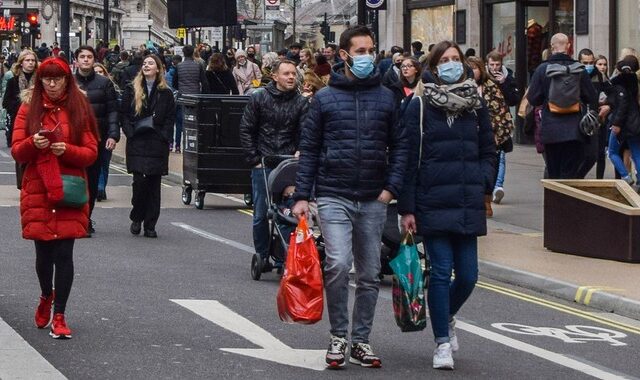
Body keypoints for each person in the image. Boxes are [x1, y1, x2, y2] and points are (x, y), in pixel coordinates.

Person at [291, 25, 408, 369]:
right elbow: (309, 149)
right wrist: (302, 195)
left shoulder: (387, 98)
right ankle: (338, 335)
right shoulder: (325, 99)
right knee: (339, 264)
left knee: (371, 274)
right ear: (343, 55)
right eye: (360, 51)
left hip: (373, 197)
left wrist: (391, 189)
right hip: (333, 195)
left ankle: (361, 340)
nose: (367, 57)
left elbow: (400, 147)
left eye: (370, 50)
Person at [399, 41, 496, 370]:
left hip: (467, 200)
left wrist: (484, 179)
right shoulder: (420, 104)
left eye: (457, 59)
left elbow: (489, 148)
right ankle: (442, 342)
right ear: (435, 66)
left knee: (469, 276)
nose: (453, 64)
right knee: (440, 273)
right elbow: (408, 156)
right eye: (446, 60)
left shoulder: (475, 102)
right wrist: (407, 207)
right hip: (433, 199)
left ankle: (446, 314)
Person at [11, 57, 99, 339]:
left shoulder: (79, 107)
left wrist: (67, 151)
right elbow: (16, 151)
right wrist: (32, 144)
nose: (51, 84)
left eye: (56, 78)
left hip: (69, 188)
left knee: (64, 254)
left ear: (66, 80)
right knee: (43, 255)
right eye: (46, 79)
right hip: (38, 187)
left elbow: (90, 151)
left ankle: (59, 314)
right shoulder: (28, 107)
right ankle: (45, 295)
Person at [239, 60, 308, 269]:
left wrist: (300, 152)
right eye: (286, 74)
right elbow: (246, 129)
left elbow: (305, 132)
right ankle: (262, 254)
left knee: (287, 211)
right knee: (261, 212)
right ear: (275, 76)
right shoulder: (259, 98)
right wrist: (254, 159)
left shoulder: (301, 102)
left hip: (288, 164)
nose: (291, 77)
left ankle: (284, 256)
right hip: (264, 162)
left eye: (293, 74)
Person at [527, 33, 598, 179]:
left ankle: (554, 201)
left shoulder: (542, 69)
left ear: (552, 47)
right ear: (568, 46)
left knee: (553, 174)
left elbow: (533, 98)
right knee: (569, 174)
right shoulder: (579, 69)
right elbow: (591, 96)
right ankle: (567, 201)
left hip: (551, 130)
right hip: (575, 130)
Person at [120, 55, 175, 238]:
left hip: (156, 142)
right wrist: (130, 133)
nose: (146, 65)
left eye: (150, 63)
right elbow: (124, 115)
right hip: (138, 140)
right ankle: (137, 216)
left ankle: (150, 224)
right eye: (144, 63)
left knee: (154, 186)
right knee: (140, 183)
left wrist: (164, 136)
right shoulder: (131, 89)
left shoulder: (166, 93)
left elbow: (170, 118)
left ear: (158, 69)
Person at [74, 46, 119, 235]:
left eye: (89, 57)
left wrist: (113, 134)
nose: (86, 60)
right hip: (73, 140)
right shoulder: (68, 82)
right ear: (76, 61)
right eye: (82, 57)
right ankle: (75, 218)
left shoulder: (104, 83)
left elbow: (112, 111)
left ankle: (86, 218)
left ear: (94, 60)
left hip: (96, 139)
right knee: (75, 181)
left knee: (92, 182)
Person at [468, 56, 513, 217]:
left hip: (489, 137)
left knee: (489, 171)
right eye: (470, 68)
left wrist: (495, 134)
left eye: (475, 68)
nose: (473, 71)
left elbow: (501, 111)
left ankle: (486, 201)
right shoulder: (461, 88)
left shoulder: (490, 87)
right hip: (468, 137)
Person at [575, 48, 611, 179]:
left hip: (596, 119)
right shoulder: (575, 74)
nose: (588, 66)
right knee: (582, 153)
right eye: (585, 63)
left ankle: (597, 179)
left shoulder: (598, 75)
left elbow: (610, 91)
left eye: (591, 62)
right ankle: (577, 178)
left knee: (597, 153)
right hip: (579, 118)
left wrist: (608, 105)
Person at [606, 55, 640, 186]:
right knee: (636, 152)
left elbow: (622, 105)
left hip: (623, 124)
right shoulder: (635, 83)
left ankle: (625, 176)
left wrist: (616, 123)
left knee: (612, 151)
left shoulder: (619, 84)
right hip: (636, 123)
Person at [174, 45, 209, 152]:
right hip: (195, 97)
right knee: (194, 121)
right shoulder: (198, 66)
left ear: (183, 53)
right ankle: (192, 145)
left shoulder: (179, 67)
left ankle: (179, 145)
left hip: (182, 97)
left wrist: (181, 88)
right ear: (193, 53)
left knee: (180, 122)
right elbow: (204, 82)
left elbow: (174, 83)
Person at [3, 49, 38, 147]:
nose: (30, 63)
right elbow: (6, 102)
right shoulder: (13, 80)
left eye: (33, 60)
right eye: (27, 60)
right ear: (21, 63)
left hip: (36, 119)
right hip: (17, 119)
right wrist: (20, 106)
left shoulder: (40, 80)